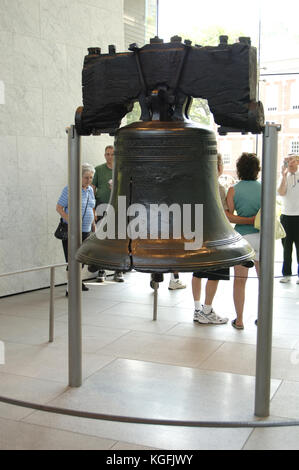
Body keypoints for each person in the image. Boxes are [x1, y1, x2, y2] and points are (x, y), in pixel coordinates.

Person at [192, 154, 229, 325]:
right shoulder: (219, 188)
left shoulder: (195, 187)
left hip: (197, 234)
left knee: (197, 272)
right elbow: (224, 215)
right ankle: (207, 310)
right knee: (215, 273)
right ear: (219, 168)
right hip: (215, 236)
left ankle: (197, 309)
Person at [226, 152, 261, 329]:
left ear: (239, 169)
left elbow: (228, 216)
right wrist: (253, 220)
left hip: (242, 239)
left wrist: (245, 220)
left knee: (240, 281)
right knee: (264, 280)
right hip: (262, 237)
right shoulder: (264, 188)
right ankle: (263, 317)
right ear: (257, 170)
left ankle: (239, 320)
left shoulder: (233, 190)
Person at [56, 163, 96, 296]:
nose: (89, 180)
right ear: (79, 177)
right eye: (86, 177)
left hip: (86, 230)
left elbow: (91, 207)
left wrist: (93, 224)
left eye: (91, 178)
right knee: (72, 259)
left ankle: (77, 281)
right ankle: (70, 287)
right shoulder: (70, 189)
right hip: (71, 230)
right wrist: (71, 220)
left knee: (82, 257)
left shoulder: (90, 190)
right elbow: (59, 208)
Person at [92, 145, 124, 283]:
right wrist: (92, 209)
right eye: (107, 154)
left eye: (112, 154)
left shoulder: (121, 170)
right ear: (104, 155)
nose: (110, 156)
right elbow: (92, 190)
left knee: (117, 239)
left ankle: (118, 270)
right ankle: (102, 270)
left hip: (118, 208)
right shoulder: (98, 170)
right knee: (101, 239)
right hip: (101, 208)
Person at [277, 154, 299, 284]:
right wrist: (284, 176)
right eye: (287, 160)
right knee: (286, 247)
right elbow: (281, 192)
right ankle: (286, 274)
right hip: (286, 216)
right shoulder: (283, 177)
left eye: (291, 160)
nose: (289, 163)